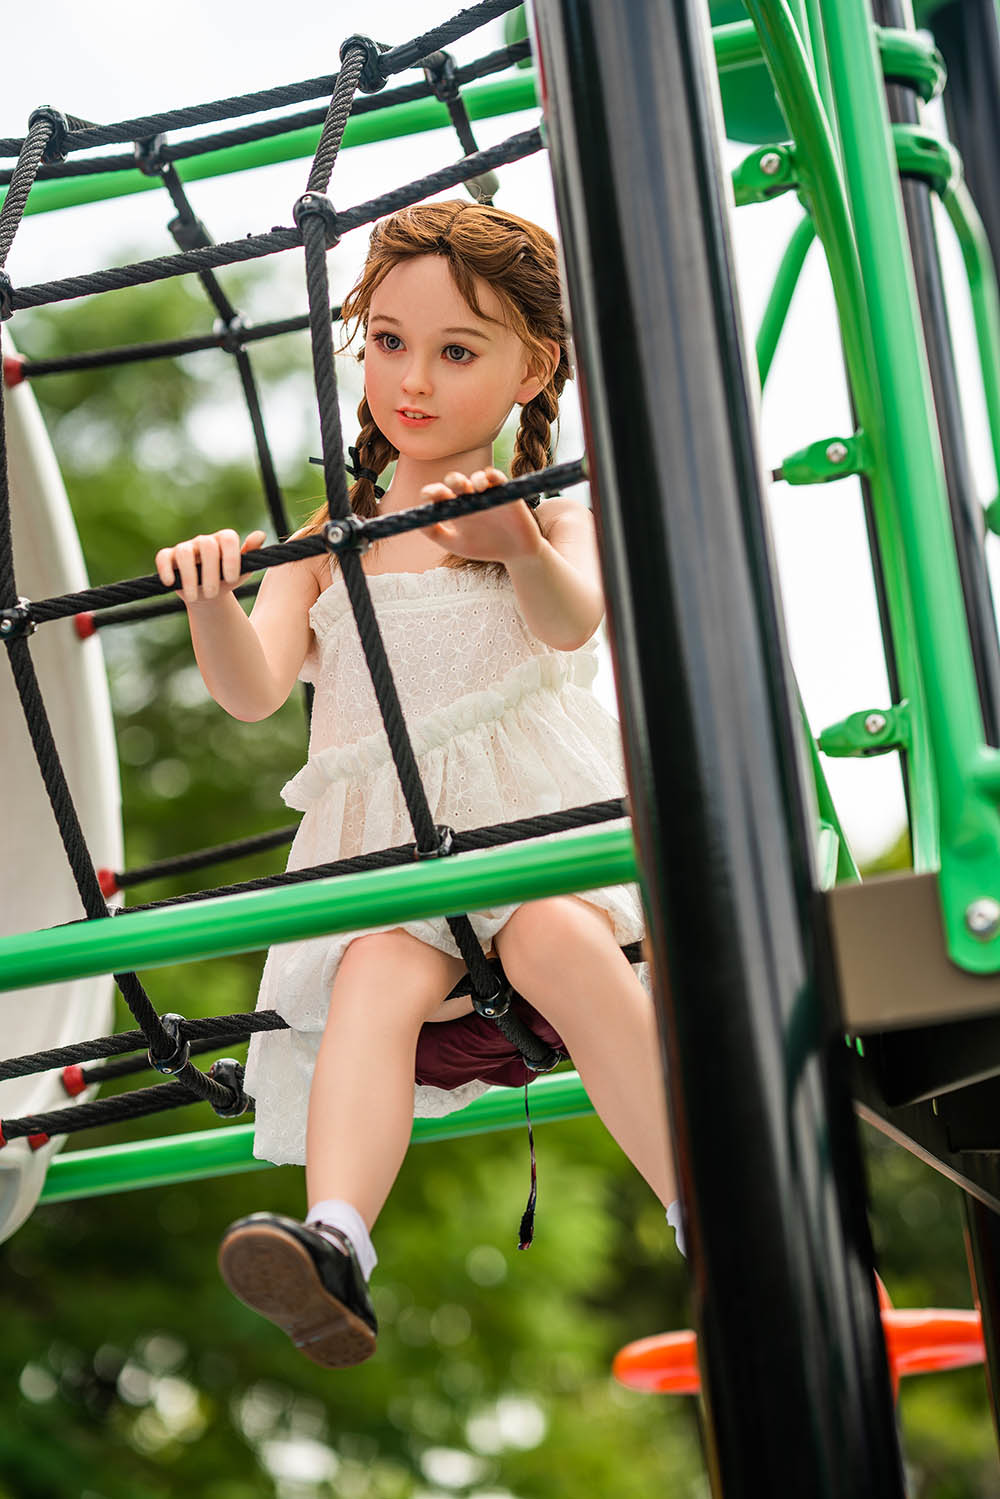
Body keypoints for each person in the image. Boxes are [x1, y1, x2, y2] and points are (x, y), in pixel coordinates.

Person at [154, 200, 679, 1370]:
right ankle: (335, 1240)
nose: (413, 380)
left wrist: (517, 549)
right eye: (388, 340)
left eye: (456, 350)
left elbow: (570, 625)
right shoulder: (328, 534)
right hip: (392, 859)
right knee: (371, 973)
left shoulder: (549, 515)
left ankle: (701, 1201)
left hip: (535, 841)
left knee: (551, 935)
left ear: (531, 366)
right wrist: (211, 601)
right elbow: (253, 686)